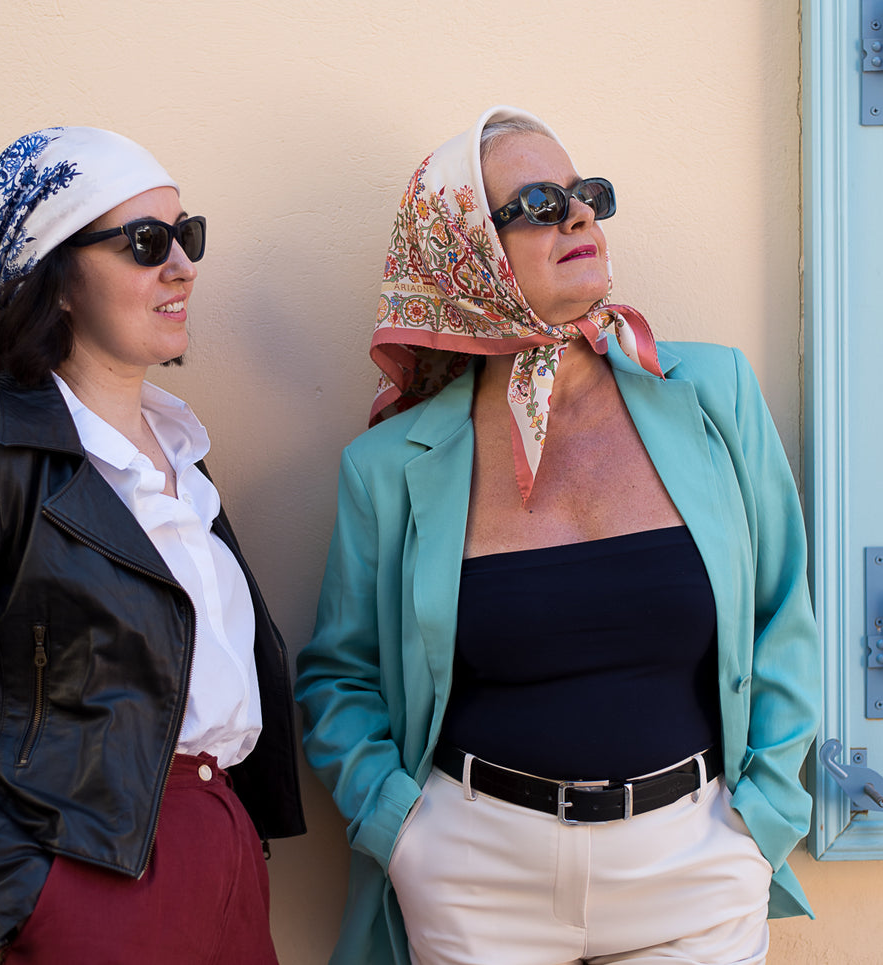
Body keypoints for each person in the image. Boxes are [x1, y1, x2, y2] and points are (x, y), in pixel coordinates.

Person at [295, 106, 820, 965]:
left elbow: (782, 613)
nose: (578, 215)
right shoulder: (390, 465)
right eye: (539, 204)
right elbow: (338, 673)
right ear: (465, 249)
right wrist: (401, 831)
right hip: (476, 880)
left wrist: (762, 819)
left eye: (587, 195)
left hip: (694, 867)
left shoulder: (712, 393)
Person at [0, 126, 304, 964]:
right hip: (76, 880)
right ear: (54, 280)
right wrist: (28, 899)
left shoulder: (183, 458)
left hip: (222, 861)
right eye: (146, 242)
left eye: (186, 235)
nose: (183, 266)